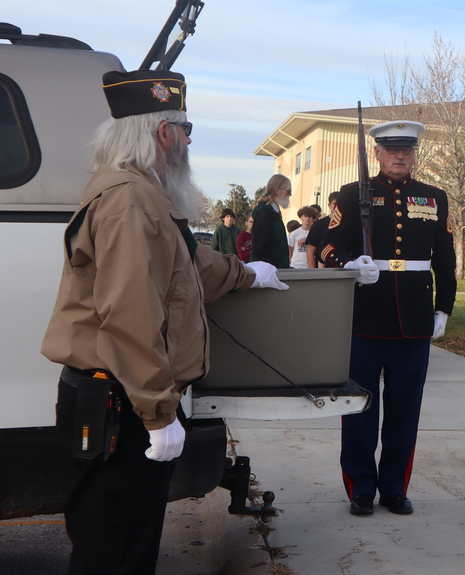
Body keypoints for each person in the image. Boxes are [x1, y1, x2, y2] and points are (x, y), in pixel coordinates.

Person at [39, 69, 288, 575]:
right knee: (115, 549)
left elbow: (188, 267)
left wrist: (248, 274)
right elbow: (130, 314)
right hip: (125, 403)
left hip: (125, 397)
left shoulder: (143, 192)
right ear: (163, 133)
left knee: (123, 539)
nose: (190, 141)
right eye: (186, 128)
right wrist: (156, 412)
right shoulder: (130, 200)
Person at [318, 120, 456, 516]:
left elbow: (445, 261)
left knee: (405, 410)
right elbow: (327, 246)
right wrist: (349, 264)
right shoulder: (351, 194)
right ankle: (361, 487)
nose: (399, 156)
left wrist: (443, 308)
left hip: (412, 318)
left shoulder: (434, 197)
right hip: (364, 315)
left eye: (407, 150)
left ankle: (394, 487)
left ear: (414, 153)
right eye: (392, 149)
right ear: (376, 152)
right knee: (359, 407)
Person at [251, 174, 291, 268]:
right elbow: (260, 249)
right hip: (269, 273)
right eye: (288, 191)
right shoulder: (264, 213)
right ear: (277, 190)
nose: (290, 194)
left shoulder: (274, 212)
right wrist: (275, 267)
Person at [304, 191, 340, 268]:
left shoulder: (348, 224)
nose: (337, 206)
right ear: (329, 205)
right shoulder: (319, 225)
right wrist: (313, 274)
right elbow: (310, 251)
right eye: (334, 203)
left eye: (340, 203)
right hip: (323, 270)